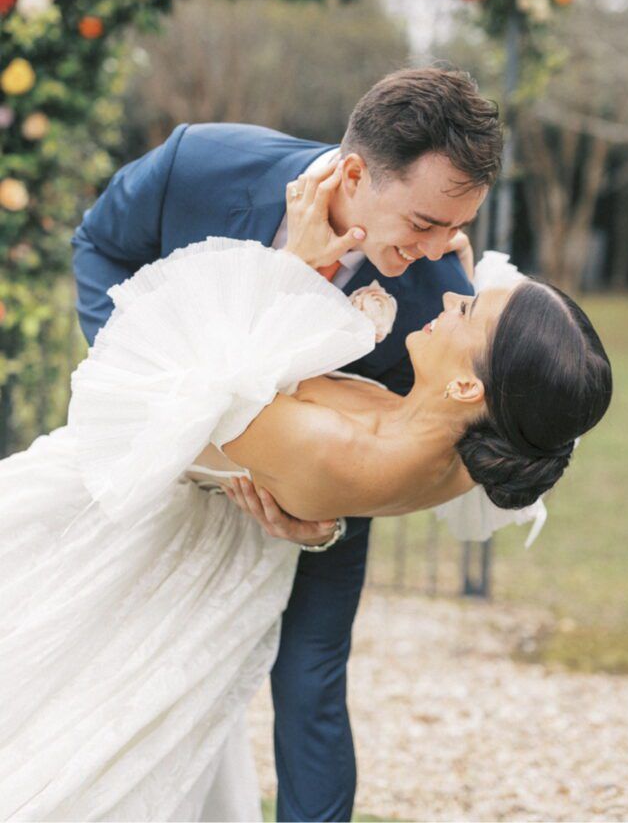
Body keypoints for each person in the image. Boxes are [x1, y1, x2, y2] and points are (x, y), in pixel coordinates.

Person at [0, 157, 612, 820]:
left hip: (115, 522)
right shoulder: (472, 450)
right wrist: (472, 284)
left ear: (468, 386)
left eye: (464, 308)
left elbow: (170, 395)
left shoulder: (335, 447)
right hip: (208, 536)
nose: (447, 296)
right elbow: (543, 380)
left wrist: (293, 265)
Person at [70, 67, 502, 823]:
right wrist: (147, 393)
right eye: (425, 222)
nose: (440, 248)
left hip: (317, 498)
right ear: (356, 175)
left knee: (311, 684)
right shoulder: (198, 164)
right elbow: (101, 244)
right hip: (157, 476)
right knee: (124, 671)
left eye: (456, 226)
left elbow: (394, 445)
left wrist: (322, 522)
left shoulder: (435, 298)